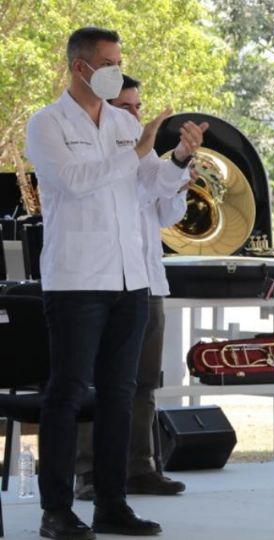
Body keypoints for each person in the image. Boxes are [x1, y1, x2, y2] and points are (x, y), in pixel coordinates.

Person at [24, 27, 206, 539]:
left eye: (119, 59)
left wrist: (178, 158)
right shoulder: (47, 124)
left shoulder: (124, 128)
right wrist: (139, 148)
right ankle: (56, 510)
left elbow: (150, 187)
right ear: (80, 67)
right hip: (79, 278)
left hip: (131, 279)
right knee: (66, 394)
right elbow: (74, 183)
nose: (116, 68)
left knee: (119, 396)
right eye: (108, 61)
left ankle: (112, 503)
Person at [74, 74, 189, 501]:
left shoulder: (144, 154)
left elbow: (165, 213)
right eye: (128, 108)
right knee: (94, 381)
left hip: (146, 280)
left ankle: (140, 467)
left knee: (144, 381)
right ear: (103, 110)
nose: (137, 117)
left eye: (139, 108)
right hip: (100, 281)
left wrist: (179, 165)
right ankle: (88, 472)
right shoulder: (93, 154)